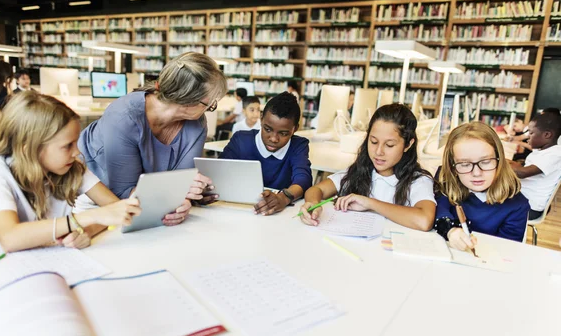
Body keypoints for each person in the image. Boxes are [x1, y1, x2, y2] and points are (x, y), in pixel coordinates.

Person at [0, 91, 142, 253]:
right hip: (0, 267)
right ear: (30, 149)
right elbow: (10, 238)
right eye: (68, 145)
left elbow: (114, 209)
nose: (77, 152)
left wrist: (86, 231)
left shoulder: (70, 166)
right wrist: (85, 218)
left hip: (49, 260)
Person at [79, 52, 227, 222]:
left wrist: (183, 202)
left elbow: (182, 182)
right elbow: (122, 192)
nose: (210, 108)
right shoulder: (124, 117)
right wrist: (171, 196)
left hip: (145, 204)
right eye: (210, 104)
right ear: (188, 101)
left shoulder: (196, 124)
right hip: (89, 197)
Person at [299, 103, 435, 231]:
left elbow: (424, 220)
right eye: (373, 141)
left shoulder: (418, 180)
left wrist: (370, 204)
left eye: (389, 145)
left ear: (408, 145)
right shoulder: (359, 171)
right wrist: (312, 203)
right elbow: (317, 189)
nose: (378, 152)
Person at [435, 122, 529, 251]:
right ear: (452, 167)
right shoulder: (445, 177)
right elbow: (438, 208)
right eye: (464, 164)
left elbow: (507, 251)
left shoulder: (517, 205)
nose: (477, 173)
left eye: (485, 162)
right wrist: (450, 230)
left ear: (499, 160)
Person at [220, 92, 312, 215]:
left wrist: (284, 197)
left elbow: (303, 179)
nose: (274, 139)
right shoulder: (241, 140)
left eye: (283, 133)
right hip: (239, 211)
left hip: (276, 216)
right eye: (267, 129)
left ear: (295, 129)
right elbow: (219, 172)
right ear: (261, 118)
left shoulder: (298, 145)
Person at [508, 112, 561, 220]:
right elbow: (521, 167)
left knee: (485, 203)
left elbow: (521, 173)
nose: (528, 138)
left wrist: (497, 163)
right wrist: (502, 160)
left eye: (531, 133)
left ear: (547, 135)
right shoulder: (542, 151)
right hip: (523, 200)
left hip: (529, 207)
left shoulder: (554, 154)